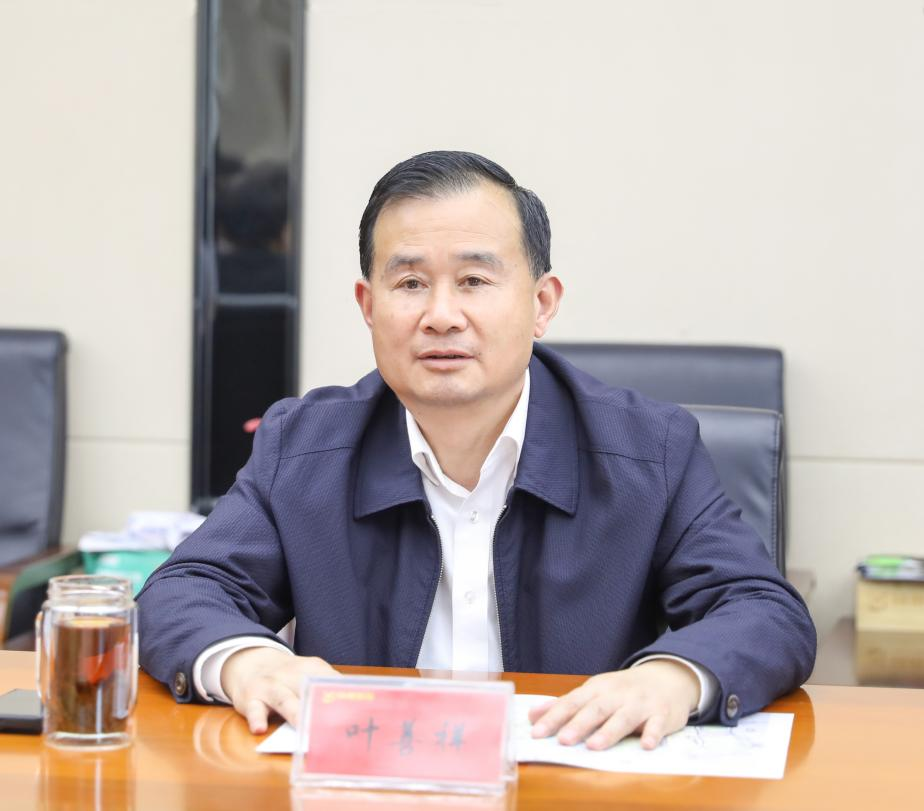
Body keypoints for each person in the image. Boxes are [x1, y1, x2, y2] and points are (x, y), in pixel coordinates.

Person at [137, 150, 815, 751]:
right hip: (371, 787)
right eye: (409, 284)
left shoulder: (649, 451)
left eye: (474, 281)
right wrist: (249, 662)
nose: (440, 316)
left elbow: (763, 609)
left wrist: (670, 678)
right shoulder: (303, 447)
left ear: (542, 303)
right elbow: (181, 592)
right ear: (368, 305)